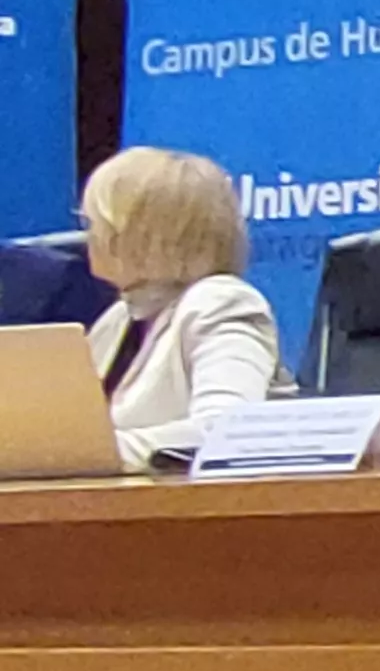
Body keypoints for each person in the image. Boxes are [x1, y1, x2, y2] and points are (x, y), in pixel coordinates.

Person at [76, 147, 297, 471]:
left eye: (94, 224)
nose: (87, 237)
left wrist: (87, 454)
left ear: (146, 235)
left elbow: (225, 431)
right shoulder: (118, 319)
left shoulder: (221, 303)